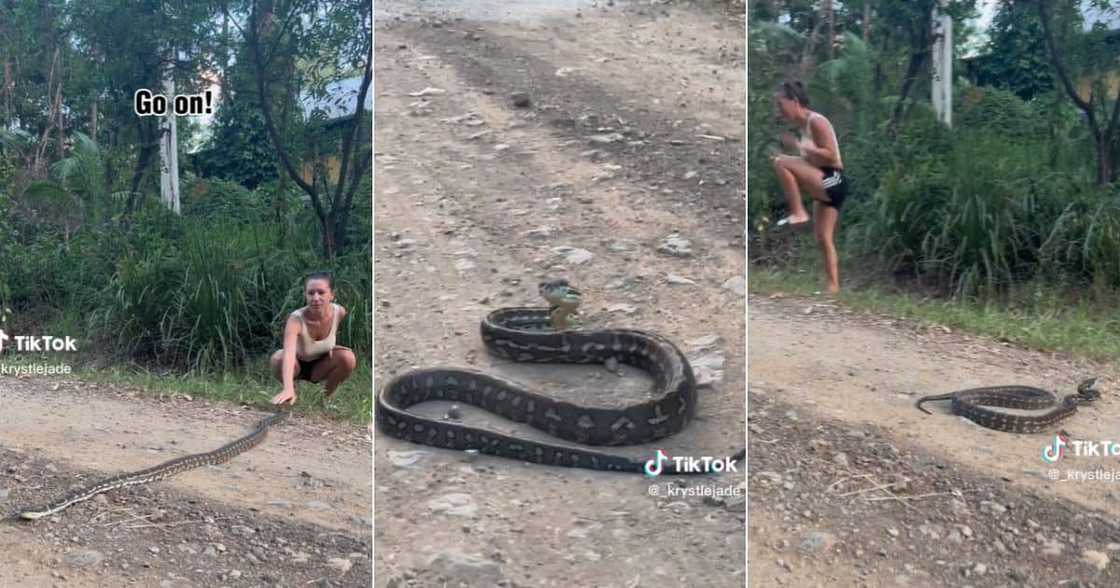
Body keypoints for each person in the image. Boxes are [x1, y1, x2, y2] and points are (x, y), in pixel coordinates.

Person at [769, 79, 850, 295]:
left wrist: (801, 147)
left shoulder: (816, 121)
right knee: (823, 238)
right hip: (826, 180)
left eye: (781, 105)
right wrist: (799, 149)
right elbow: (812, 160)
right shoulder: (803, 127)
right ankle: (833, 288)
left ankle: (798, 212)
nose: (779, 111)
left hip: (834, 179)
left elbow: (830, 155)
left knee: (780, 161)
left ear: (795, 102)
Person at [270, 272, 357, 405]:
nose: (316, 298)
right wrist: (288, 388)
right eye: (311, 293)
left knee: (348, 358)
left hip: (320, 366)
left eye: (321, 292)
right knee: (278, 359)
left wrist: (332, 347)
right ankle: (291, 393)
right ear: (305, 295)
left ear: (332, 295)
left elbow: (334, 334)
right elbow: (289, 355)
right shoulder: (295, 320)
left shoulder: (339, 312)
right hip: (296, 366)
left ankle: (324, 399)